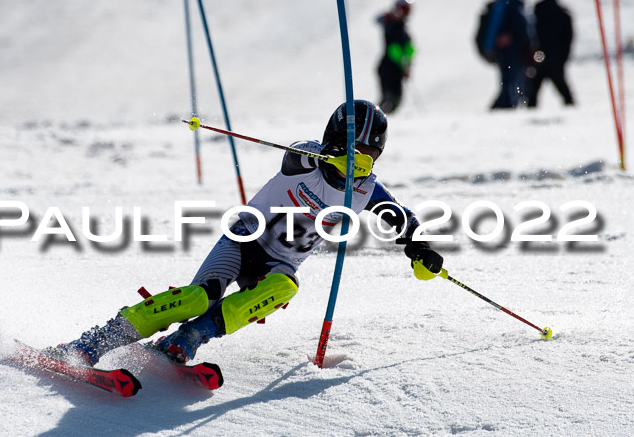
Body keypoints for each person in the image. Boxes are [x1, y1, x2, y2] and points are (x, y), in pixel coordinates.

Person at [46, 100, 444, 367]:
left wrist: (421, 248)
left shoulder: (366, 190)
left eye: (367, 157)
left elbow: (404, 220)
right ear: (332, 142)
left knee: (286, 287)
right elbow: (297, 151)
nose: (357, 164)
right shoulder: (305, 161)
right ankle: (94, 342)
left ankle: (192, 336)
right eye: (349, 151)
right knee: (200, 296)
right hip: (242, 240)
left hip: (277, 262)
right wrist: (329, 156)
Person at [482, 0, 534, 109]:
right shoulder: (512, 3)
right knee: (512, 78)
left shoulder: (508, 3)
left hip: (510, 49)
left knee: (510, 78)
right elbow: (520, 26)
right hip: (511, 49)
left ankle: (508, 104)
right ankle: (507, 104)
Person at [527, 0, 575, 107]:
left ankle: (530, 107)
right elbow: (568, 39)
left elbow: (529, 34)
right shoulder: (562, 14)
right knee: (562, 87)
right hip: (555, 57)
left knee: (534, 87)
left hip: (539, 55)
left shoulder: (537, 11)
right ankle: (570, 105)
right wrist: (563, 57)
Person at [376, 0, 416, 114]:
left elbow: (409, 49)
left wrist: (407, 65)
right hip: (388, 68)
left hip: (396, 69)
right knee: (389, 98)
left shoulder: (403, 26)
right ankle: (375, 118)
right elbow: (378, 19)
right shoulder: (390, 23)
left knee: (396, 98)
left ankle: (379, 116)